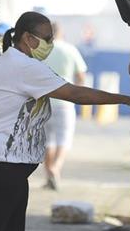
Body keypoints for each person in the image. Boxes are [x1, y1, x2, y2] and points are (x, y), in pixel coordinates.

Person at [0, 11, 130, 231]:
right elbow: (76, 95)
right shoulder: (24, 67)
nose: (51, 44)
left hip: (3, 163)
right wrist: (125, 99)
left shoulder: (13, 61)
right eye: (47, 39)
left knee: (10, 224)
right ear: (28, 38)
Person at [42, 23, 88, 190]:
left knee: (48, 141)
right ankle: (56, 167)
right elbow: (81, 76)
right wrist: (78, 93)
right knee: (64, 139)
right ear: (61, 33)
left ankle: (49, 175)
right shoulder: (70, 50)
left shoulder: (42, 50)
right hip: (65, 102)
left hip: (44, 102)